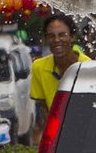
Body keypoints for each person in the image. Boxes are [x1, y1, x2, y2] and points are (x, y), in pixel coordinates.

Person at [30, 14, 90, 142]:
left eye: (62, 35)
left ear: (72, 37)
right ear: (46, 39)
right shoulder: (38, 67)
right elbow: (44, 108)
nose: (57, 40)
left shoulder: (88, 67)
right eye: (51, 36)